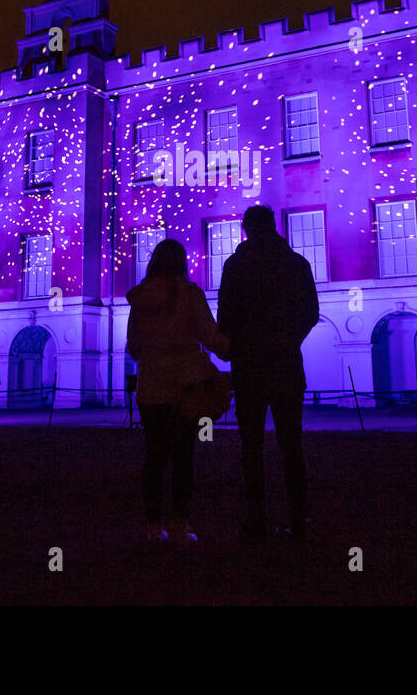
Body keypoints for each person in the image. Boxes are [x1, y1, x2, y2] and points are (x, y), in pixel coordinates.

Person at [218, 204, 319, 544]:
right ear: (273, 225)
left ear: (246, 228)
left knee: (251, 447)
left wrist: (234, 348)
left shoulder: (236, 266)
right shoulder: (295, 263)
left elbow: (225, 317)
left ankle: (256, 519)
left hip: (249, 367)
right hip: (285, 364)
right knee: (291, 445)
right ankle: (299, 517)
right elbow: (309, 312)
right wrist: (287, 342)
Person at [126, 238, 230, 547]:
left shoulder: (141, 299)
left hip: (151, 387)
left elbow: (134, 348)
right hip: (185, 386)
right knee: (184, 457)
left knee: (154, 457)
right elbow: (211, 337)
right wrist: (236, 350)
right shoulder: (191, 294)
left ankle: (153, 525)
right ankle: (180, 524)